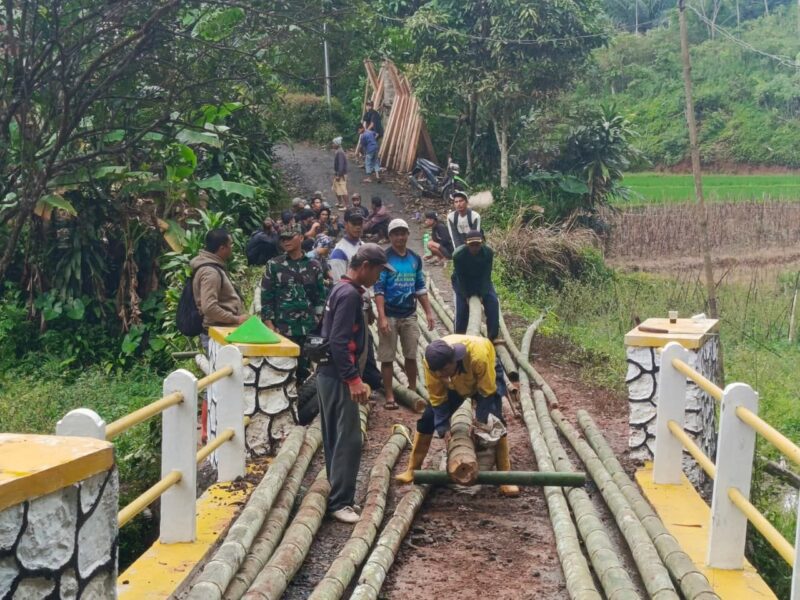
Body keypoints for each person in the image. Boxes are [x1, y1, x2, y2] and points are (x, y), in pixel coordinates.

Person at [317, 244, 395, 523]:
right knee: (348, 438)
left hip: (327, 373)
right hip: (339, 376)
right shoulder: (349, 295)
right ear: (365, 267)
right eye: (378, 271)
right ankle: (341, 501)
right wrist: (353, 379)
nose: (378, 277)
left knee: (334, 436)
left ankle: (336, 492)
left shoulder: (340, 289)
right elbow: (339, 341)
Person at [396, 335, 520, 497]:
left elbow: (486, 393)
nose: (440, 375)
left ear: (454, 360)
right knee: (427, 420)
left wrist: (480, 423)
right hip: (456, 382)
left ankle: (505, 477)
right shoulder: (432, 365)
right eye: (437, 372)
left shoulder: (478, 357)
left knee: (495, 421)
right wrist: (443, 428)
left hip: (486, 376)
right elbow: (437, 398)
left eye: (444, 370)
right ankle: (412, 469)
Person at [374, 219, 435, 410]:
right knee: (387, 357)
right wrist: (382, 317)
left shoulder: (415, 259)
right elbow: (379, 290)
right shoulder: (384, 259)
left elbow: (420, 287)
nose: (400, 237)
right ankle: (390, 396)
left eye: (403, 233)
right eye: (396, 234)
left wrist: (429, 312)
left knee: (411, 354)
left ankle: (412, 390)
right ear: (390, 236)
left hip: (409, 313)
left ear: (408, 235)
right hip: (389, 314)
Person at [260, 224, 326, 383]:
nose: (286, 241)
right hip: (283, 328)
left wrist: (318, 321)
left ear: (301, 238)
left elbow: (319, 296)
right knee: (283, 372)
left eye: (290, 237)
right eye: (283, 239)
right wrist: (269, 324)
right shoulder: (274, 265)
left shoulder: (313, 265)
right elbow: (266, 296)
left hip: (308, 328)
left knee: (306, 373)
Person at [190, 229, 248, 352]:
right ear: (222, 248)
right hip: (217, 336)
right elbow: (209, 307)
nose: (232, 248)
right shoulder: (210, 272)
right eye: (230, 245)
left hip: (222, 332)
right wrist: (236, 319)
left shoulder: (212, 266)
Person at [452, 230, 500, 342]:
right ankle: (459, 338)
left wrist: (482, 294)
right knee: (462, 310)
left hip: (481, 280)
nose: (475, 248)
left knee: (493, 302)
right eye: (472, 245)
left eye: (477, 245)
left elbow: (486, 275)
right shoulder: (458, 255)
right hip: (463, 281)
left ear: (482, 243)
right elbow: (460, 276)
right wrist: (466, 295)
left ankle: (492, 337)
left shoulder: (488, 253)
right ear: (466, 244)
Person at [329, 208, 364, 283]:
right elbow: (339, 284)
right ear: (346, 225)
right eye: (354, 224)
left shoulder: (364, 245)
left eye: (360, 223)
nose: (358, 227)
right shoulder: (339, 251)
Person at [332, 137, 349, 209]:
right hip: (338, 173)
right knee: (336, 188)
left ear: (337, 144)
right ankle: (340, 203)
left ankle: (346, 205)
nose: (332, 145)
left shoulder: (340, 152)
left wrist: (339, 175)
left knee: (343, 190)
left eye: (333, 143)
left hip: (341, 174)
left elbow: (341, 165)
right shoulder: (338, 151)